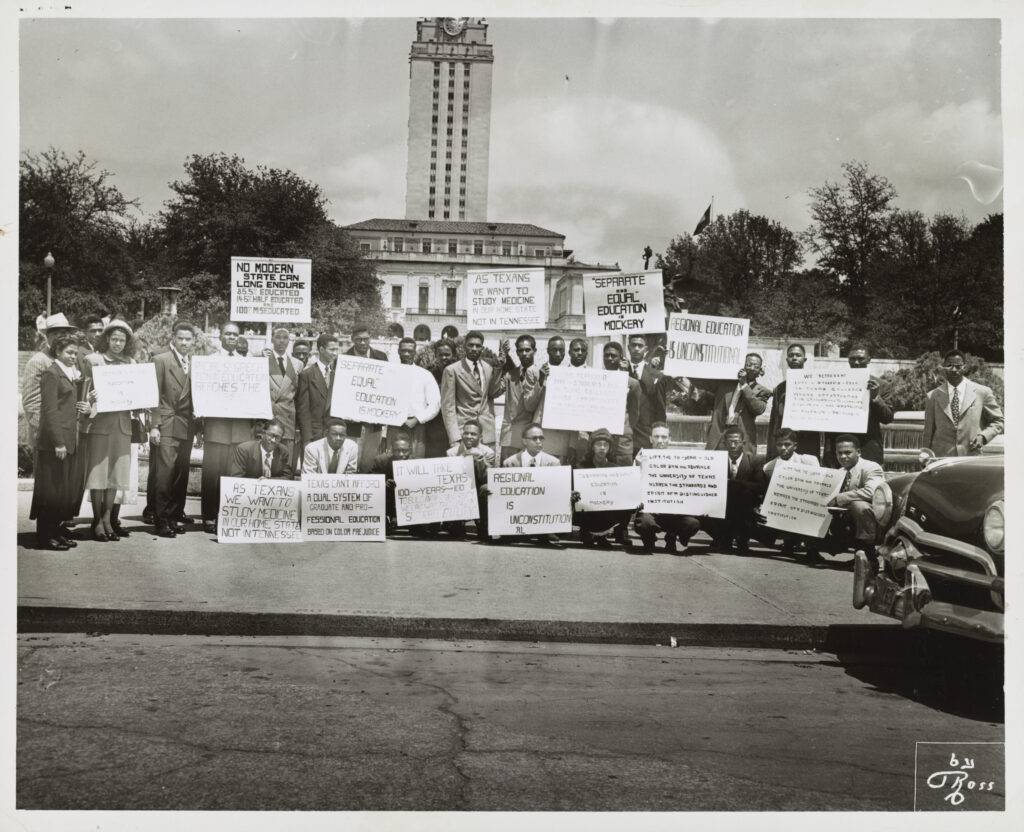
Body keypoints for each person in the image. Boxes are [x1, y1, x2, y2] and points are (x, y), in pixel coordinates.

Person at [30, 333, 91, 550]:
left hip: (69, 440)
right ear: (58, 352)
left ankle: (56, 531)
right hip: (55, 443)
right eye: (69, 352)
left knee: (62, 491)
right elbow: (49, 412)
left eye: (76, 353)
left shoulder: (70, 374)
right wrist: (58, 442)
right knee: (51, 491)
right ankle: (46, 536)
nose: (74, 356)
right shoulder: (51, 373)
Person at [82, 319, 138, 541]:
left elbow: (137, 394)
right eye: (114, 339)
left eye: (122, 340)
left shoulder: (132, 364)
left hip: (122, 427)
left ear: (127, 342)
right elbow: (83, 391)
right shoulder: (93, 360)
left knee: (116, 476)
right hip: (100, 425)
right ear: (106, 339)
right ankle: (96, 520)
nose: (117, 344)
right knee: (98, 475)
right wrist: (90, 397)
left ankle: (107, 518)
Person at [199, 322, 255, 533]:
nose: (231, 337)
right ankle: (209, 517)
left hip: (239, 429)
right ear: (220, 336)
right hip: (217, 427)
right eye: (227, 333)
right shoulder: (210, 362)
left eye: (235, 334)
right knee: (212, 474)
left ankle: (229, 514)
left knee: (234, 474)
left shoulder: (248, 363)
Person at [151, 321, 198, 538]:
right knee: (165, 474)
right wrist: (154, 425)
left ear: (194, 341)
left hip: (187, 425)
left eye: (188, 339)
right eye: (180, 338)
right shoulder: (161, 360)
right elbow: (154, 395)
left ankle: (172, 516)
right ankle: (160, 520)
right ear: (173, 338)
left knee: (180, 474)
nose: (184, 343)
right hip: (168, 422)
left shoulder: (196, 363)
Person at [486, 423, 564, 548]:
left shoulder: (553, 462)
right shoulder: (510, 463)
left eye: (541, 438)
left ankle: (545, 532)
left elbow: (558, 491)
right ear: (524, 441)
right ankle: (512, 531)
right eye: (534, 438)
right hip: (518, 510)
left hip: (542, 509)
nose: (539, 441)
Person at [633, 422, 702, 554]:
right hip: (652, 512)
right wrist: (639, 467)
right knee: (644, 523)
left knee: (693, 524)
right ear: (650, 439)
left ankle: (672, 535)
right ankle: (649, 538)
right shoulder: (640, 458)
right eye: (656, 436)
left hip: (674, 512)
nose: (660, 441)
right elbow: (633, 488)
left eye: (664, 437)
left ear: (669, 439)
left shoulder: (680, 460)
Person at [922, 349, 1004, 456]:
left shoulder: (982, 392)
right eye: (949, 366)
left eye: (958, 366)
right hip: (941, 459)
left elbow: (998, 421)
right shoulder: (933, 396)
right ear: (943, 368)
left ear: (964, 367)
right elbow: (928, 432)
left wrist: (983, 437)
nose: (954, 370)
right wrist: (925, 456)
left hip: (970, 457)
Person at [823, 346, 893, 468]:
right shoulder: (834, 383)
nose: (856, 362)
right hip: (838, 451)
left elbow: (887, 418)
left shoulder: (882, 386)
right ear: (848, 360)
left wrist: (875, 397)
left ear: (869, 360)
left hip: (867, 448)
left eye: (861, 359)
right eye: (852, 359)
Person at [761, 428, 822, 561]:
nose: (783, 448)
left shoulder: (808, 461)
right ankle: (788, 541)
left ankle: (812, 548)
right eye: (779, 445)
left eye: (787, 444)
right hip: (783, 508)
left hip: (806, 503)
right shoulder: (769, 467)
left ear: (795, 445)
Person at [703, 425, 766, 554]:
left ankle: (742, 539)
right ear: (724, 443)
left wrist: (733, 484)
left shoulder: (754, 461)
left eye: (736, 442)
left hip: (744, 507)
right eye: (729, 442)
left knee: (746, 497)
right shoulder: (715, 461)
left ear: (743, 443)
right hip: (722, 505)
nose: (732, 445)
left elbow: (760, 486)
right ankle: (722, 538)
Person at [571, 428, 637, 550]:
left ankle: (603, 536)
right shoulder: (580, 468)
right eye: (598, 444)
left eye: (605, 444)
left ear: (610, 447)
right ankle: (586, 532)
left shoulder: (616, 470)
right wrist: (572, 494)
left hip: (608, 513)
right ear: (592, 447)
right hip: (585, 514)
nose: (602, 447)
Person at [440, 330, 507, 449]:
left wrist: (499, 366)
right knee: (465, 467)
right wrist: (454, 437)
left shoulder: (489, 368)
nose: (474, 348)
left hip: (487, 432)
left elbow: (492, 393)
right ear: (464, 346)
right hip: (464, 432)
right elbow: (447, 407)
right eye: (471, 345)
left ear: (482, 348)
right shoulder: (452, 370)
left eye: (478, 346)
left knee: (486, 467)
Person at [827, 434, 885, 570]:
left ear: (858, 452)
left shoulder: (871, 467)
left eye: (847, 453)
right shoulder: (839, 472)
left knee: (859, 505)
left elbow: (872, 492)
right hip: (846, 520)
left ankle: (869, 557)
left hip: (873, 521)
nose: (843, 457)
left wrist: (840, 498)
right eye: (839, 453)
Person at [21, 313, 77, 450]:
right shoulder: (39, 361)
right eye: (56, 333)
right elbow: (31, 403)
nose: (61, 337)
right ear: (47, 336)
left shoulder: (69, 359)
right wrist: (49, 433)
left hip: (66, 433)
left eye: (64, 333)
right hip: (46, 436)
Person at [699, 353, 771, 457]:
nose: (751, 368)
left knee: (740, 471)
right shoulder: (723, 384)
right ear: (742, 366)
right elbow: (701, 382)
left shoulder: (763, 391)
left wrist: (745, 385)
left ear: (760, 371)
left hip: (742, 439)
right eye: (748, 364)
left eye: (756, 367)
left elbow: (758, 409)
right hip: (720, 437)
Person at [344, 323, 390, 471]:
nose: (363, 343)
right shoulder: (344, 359)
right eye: (359, 339)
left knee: (369, 464)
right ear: (352, 339)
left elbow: (386, 387)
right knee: (351, 463)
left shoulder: (381, 357)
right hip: (352, 423)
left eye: (366, 339)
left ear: (370, 338)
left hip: (374, 423)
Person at [765, 343, 820, 460]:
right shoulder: (780, 388)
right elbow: (774, 419)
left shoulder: (815, 383)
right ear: (787, 360)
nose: (794, 358)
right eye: (791, 355)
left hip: (807, 438)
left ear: (804, 359)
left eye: (798, 355)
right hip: (787, 440)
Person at [445, 418, 495, 538]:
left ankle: (482, 524)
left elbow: (486, 478)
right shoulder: (451, 453)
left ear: (480, 436)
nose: (469, 436)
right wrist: (462, 457)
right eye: (466, 433)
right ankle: (457, 523)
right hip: (460, 487)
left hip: (478, 487)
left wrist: (480, 459)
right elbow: (448, 477)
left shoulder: (488, 453)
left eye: (473, 434)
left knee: (485, 488)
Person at [264, 326, 303, 471]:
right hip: (268, 416)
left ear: (290, 341)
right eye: (278, 337)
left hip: (288, 419)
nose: (281, 341)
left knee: (285, 462)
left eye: (285, 337)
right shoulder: (263, 360)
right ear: (272, 339)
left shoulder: (298, 364)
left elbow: (299, 396)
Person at [499, 335, 543, 460]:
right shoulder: (510, 374)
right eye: (520, 350)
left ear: (534, 351)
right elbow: (494, 391)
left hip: (531, 437)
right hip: (510, 435)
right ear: (517, 352)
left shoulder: (542, 375)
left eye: (527, 350)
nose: (524, 353)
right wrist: (499, 363)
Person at [296, 332, 339, 458]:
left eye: (337, 350)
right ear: (321, 349)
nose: (335, 353)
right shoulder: (307, 375)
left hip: (333, 436)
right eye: (332, 349)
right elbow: (303, 410)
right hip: (314, 435)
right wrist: (307, 440)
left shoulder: (339, 375)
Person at [396, 337, 441, 458]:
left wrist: (417, 419)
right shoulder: (390, 372)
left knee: (414, 461)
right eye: (403, 350)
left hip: (416, 426)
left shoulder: (425, 375)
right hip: (394, 425)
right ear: (398, 351)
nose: (406, 354)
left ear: (415, 352)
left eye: (410, 351)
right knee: (392, 459)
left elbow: (435, 404)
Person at [534, 335, 575, 463]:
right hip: (542, 434)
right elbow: (529, 405)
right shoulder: (536, 371)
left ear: (565, 352)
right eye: (554, 350)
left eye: (561, 350)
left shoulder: (571, 374)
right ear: (547, 351)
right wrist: (540, 381)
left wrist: (572, 444)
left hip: (561, 435)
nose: (558, 354)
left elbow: (575, 411)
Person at [625, 334, 670, 452]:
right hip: (623, 435)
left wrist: (659, 437)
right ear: (628, 348)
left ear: (646, 349)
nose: (636, 348)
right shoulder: (620, 372)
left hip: (645, 436)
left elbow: (660, 409)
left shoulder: (657, 376)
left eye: (640, 346)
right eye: (633, 345)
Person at [601, 342, 642, 465]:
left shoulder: (632, 383)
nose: (609, 358)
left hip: (622, 440)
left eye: (613, 356)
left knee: (623, 475)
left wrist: (625, 427)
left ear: (621, 358)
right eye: (606, 355)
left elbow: (634, 412)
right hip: (600, 438)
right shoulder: (595, 379)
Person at [371, 432, 413, 533]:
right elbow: (369, 482)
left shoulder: (418, 464)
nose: (401, 454)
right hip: (388, 501)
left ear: (410, 450)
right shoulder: (380, 461)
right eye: (397, 450)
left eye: (404, 451)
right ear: (391, 450)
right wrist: (382, 483)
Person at [423, 339, 459, 458]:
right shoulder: (429, 375)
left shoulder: (460, 373)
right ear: (435, 356)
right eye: (441, 355)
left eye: (447, 354)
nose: (444, 357)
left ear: (453, 355)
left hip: (455, 424)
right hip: (434, 426)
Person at [227, 420, 294, 480]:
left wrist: (268, 481)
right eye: (271, 435)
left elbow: (288, 477)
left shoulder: (283, 451)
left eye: (278, 437)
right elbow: (236, 478)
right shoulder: (244, 450)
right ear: (262, 434)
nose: (273, 440)